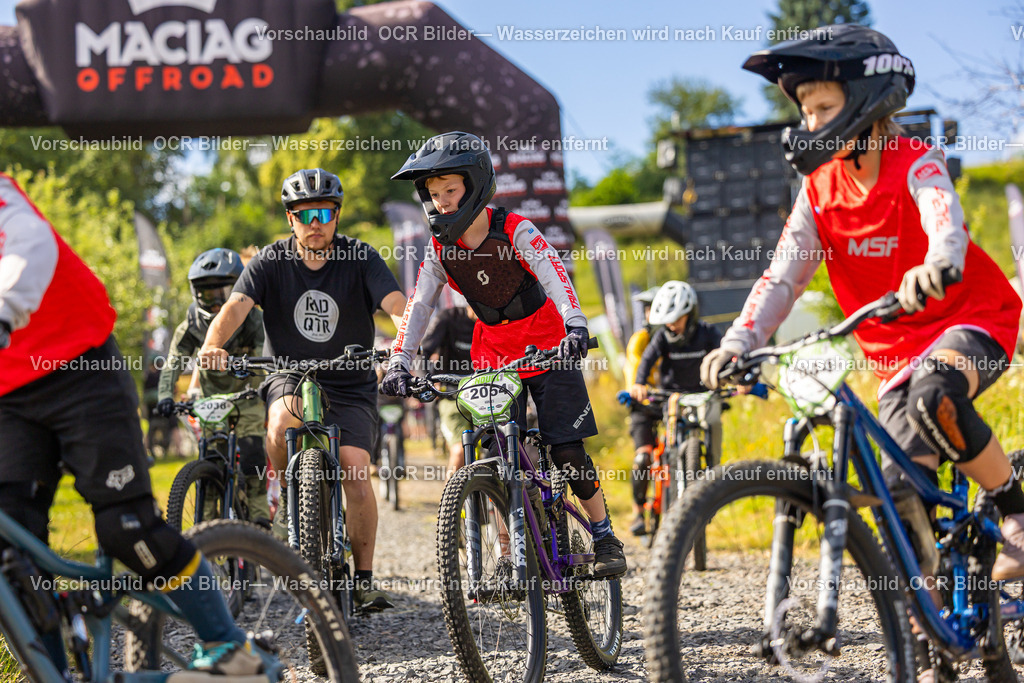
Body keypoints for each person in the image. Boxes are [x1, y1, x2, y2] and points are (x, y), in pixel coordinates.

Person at [704, 26, 1024, 680]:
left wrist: (939, 262)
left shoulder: (916, 161)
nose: (809, 123)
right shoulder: (819, 189)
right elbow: (782, 276)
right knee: (903, 508)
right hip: (892, 352)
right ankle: (933, 641)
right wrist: (739, 338)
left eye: (821, 108)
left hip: (971, 320)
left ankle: (1016, 508)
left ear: (866, 100)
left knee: (937, 394)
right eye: (804, 112)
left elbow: (946, 222)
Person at [0, 172, 270, 679]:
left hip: (78, 367)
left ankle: (228, 644)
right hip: (8, 395)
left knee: (125, 526)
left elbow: (30, 244)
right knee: (13, 555)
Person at [381, 131, 627, 579]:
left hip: (550, 343)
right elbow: (419, 306)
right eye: (433, 195)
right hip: (493, 351)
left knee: (568, 452)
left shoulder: (515, 229)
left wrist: (575, 325)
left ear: (475, 185)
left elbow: (555, 275)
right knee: (495, 455)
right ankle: (513, 551)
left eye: (450, 190)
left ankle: (604, 533)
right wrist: (400, 359)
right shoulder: (439, 249)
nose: (442, 203)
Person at [198, 168, 407, 612]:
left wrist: (406, 341)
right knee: (281, 418)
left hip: (350, 382)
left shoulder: (361, 257)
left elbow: (395, 305)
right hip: (290, 373)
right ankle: (290, 505)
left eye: (325, 213)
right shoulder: (270, 262)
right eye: (305, 213)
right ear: (290, 217)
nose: (316, 222)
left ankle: (365, 578)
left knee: (354, 468)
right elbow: (236, 307)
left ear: (336, 215)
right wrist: (213, 345)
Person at [156, 248, 270, 525]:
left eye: (223, 293)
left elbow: (262, 358)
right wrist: (164, 395)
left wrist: (253, 375)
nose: (216, 302)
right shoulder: (192, 324)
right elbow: (173, 362)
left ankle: (259, 515)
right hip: (212, 397)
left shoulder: (253, 319)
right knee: (210, 459)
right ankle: (205, 528)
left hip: (247, 395)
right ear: (196, 294)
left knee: (253, 451)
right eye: (208, 294)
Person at [628, 281, 723, 535]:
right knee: (644, 457)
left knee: (714, 421)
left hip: (702, 396)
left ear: (690, 314)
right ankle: (640, 509)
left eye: (676, 319)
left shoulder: (708, 334)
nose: (671, 325)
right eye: (667, 320)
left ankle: (713, 475)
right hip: (667, 399)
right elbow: (646, 360)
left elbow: (725, 356)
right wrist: (638, 384)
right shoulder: (661, 337)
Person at [420, 295, 477, 477]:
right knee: (460, 451)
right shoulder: (447, 318)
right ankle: (449, 502)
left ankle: (499, 502)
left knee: (498, 450)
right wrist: (428, 379)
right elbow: (425, 351)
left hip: (484, 395)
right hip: (452, 395)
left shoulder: (493, 321)